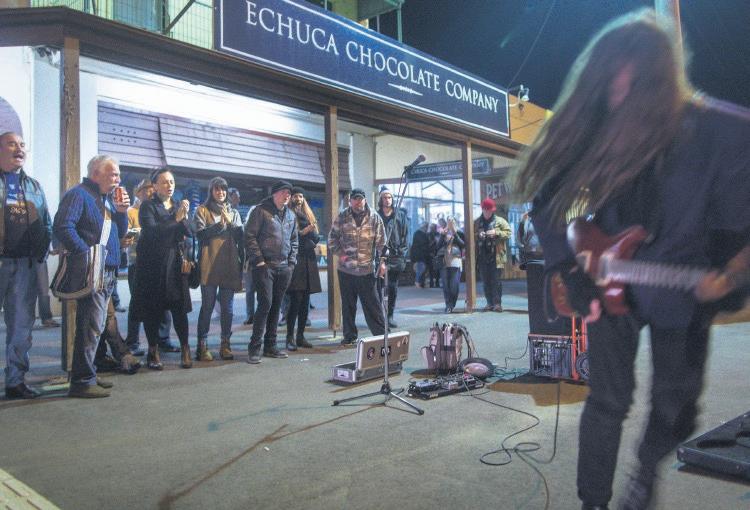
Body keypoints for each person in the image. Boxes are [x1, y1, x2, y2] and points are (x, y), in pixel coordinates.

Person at [514, 9, 750, 510]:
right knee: (607, 399)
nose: (617, 101)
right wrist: (566, 267)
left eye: (630, 89)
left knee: (676, 408)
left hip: (683, 286)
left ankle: (645, 472)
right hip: (609, 281)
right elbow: (546, 199)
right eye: (608, 90)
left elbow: (742, 230)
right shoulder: (602, 124)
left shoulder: (723, 132)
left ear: (661, 83)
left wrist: (732, 273)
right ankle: (594, 502)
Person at [54, 155, 129, 398]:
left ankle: (88, 374)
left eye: (118, 174)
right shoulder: (79, 195)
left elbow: (120, 232)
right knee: (91, 326)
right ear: (96, 174)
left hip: (107, 271)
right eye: (113, 174)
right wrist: (86, 254)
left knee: (94, 326)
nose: (117, 179)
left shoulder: (105, 199)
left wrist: (122, 212)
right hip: (95, 271)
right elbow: (63, 226)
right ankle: (82, 381)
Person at [0, 132, 52, 399]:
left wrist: (41, 251)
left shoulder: (34, 186)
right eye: (12, 144)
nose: (19, 148)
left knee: (21, 326)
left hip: (25, 266)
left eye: (22, 145)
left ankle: (15, 381)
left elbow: (46, 222)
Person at [132, 167, 193, 370]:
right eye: (165, 182)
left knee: (179, 309)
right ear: (155, 186)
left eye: (172, 182)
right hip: (153, 265)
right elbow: (152, 232)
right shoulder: (148, 206)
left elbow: (189, 232)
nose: (169, 186)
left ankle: (185, 349)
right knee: (153, 310)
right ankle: (153, 350)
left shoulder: (177, 206)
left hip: (175, 264)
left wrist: (184, 216)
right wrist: (175, 219)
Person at [244, 180, 298, 364]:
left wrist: (291, 263)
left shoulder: (290, 215)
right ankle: (254, 348)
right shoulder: (261, 211)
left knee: (276, 305)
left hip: (284, 268)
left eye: (289, 193)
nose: (287, 196)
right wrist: (259, 261)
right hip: (265, 266)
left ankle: (270, 346)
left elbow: (294, 241)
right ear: (274, 194)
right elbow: (249, 236)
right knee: (265, 304)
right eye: (283, 192)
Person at [192, 177, 244, 361]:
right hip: (208, 263)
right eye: (217, 189)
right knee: (207, 306)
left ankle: (225, 344)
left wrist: (231, 224)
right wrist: (219, 226)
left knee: (228, 309)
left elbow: (240, 237)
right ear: (211, 191)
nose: (220, 192)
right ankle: (202, 346)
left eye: (223, 189)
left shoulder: (233, 212)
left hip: (229, 263)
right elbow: (200, 234)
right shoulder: (202, 210)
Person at [328, 187, 386, 346]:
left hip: (367, 271)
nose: (358, 202)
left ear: (365, 200)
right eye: (355, 199)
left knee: (373, 306)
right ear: (350, 201)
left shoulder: (374, 217)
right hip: (346, 271)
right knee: (348, 306)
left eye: (361, 199)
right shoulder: (342, 217)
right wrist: (342, 255)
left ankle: (381, 336)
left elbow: (382, 243)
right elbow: (332, 240)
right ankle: (349, 336)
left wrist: (382, 262)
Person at [285, 186, 321, 350]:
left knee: (305, 302)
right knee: (295, 302)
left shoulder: (308, 214)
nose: (298, 199)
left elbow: (316, 237)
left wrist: (311, 232)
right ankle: (289, 337)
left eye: (301, 196)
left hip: (309, 262)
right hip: (296, 262)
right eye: (296, 196)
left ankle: (300, 336)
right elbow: (287, 238)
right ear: (291, 198)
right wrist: (303, 233)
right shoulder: (288, 214)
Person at [376, 187, 409, 328]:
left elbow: (406, 236)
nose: (387, 200)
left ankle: (390, 315)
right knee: (379, 288)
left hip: (396, 256)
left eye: (389, 197)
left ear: (392, 199)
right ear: (381, 199)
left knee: (392, 287)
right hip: (380, 256)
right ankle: (380, 316)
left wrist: (402, 253)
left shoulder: (400, 215)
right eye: (384, 197)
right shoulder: (376, 216)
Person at [473, 198, 511, 312]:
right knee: (485, 281)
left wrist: (496, 233)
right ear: (483, 209)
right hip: (482, 256)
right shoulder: (476, 222)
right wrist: (478, 235)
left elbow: (508, 233)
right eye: (488, 210)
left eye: (491, 210)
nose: (490, 212)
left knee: (496, 281)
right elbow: (471, 235)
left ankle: (497, 304)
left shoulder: (500, 221)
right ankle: (489, 303)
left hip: (497, 256)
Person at [435, 218, 465, 313]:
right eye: (448, 222)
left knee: (454, 285)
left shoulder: (459, 232)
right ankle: (448, 305)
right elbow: (437, 247)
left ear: (455, 223)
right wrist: (442, 235)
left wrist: (455, 234)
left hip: (455, 261)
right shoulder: (442, 232)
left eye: (452, 222)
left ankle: (452, 303)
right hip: (443, 261)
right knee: (445, 285)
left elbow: (463, 244)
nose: (450, 224)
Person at [410, 222, 431, 288]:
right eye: (426, 227)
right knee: (421, 268)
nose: (427, 229)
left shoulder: (418, 233)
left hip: (420, 254)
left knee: (421, 268)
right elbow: (424, 244)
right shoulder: (420, 234)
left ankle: (421, 283)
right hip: (420, 255)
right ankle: (417, 282)